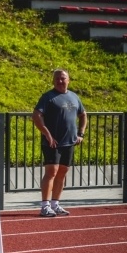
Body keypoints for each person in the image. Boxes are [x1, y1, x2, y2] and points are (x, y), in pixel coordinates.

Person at [31, 69, 87, 217]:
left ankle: (55, 204)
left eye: (63, 78)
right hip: (53, 142)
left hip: (69, 141)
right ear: (53, 81)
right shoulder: (48, 97)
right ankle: (45, 206)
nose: (60, 81)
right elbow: (36, 115)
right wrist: (47, 134)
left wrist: (81, 133)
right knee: (51, 172)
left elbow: (83, 115)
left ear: (68, 80)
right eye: (57, 79)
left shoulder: (74, 97)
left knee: (62, 172)